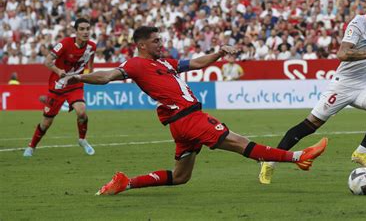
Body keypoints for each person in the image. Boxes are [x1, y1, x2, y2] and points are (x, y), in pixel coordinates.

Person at [63, 26, 328, 195]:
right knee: (238, 141)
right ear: (142, 44)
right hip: (189, 117)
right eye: (155, 41)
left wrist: (219, 53)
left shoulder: (165, 62)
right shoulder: (135, 64)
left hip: (182, 123)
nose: (160, 44)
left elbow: (196, 62)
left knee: (181, 177)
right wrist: (79, 78)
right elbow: (107, 76)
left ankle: (126, 182)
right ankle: (298, 157)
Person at [259, 0, 366, 184]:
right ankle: (269, 161)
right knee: (310, 125)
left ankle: (361, 153)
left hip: (365, 84)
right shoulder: (357, 24)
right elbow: (342, 53)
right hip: (343, 84)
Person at [23, 18, 96, 157]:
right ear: (76, 31)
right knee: (46, 123)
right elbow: (47, 61)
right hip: (57, 87)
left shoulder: (92, 47)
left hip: (75, 85)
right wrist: (58, 71)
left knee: (81, 112)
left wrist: (90, 76)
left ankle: (82, 139)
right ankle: (31, 146)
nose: (85, 32)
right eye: (82, 29)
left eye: (88, 28)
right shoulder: (65, 44)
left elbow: (90, 66)